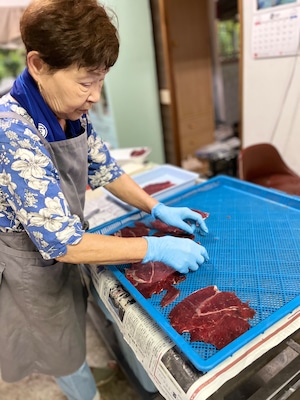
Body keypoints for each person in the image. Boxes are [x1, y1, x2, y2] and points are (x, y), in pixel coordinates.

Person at [0, 1, 209, 399]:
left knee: (73, 316)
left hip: (65, 240)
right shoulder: (11, 130)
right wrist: (155, 246)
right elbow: (64, 243)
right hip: (28, 258)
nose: (95, 96)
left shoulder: (71, 110)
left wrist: (156, 206)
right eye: (85, 82)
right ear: (38, 64)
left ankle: (87, 370)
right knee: (55, 342)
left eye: (101, 80)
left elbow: (105, 169)